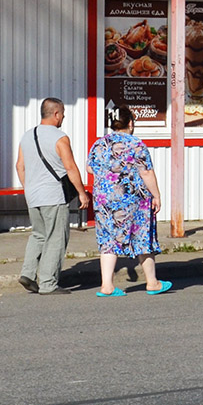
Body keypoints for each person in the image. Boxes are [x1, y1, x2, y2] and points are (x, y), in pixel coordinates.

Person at [89, 104, 170, 296]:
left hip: (104, 200)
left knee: (108, 239)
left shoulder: (99, 144)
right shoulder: (136, 144)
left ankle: (107, 285)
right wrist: (156, 195)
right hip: (133, 199)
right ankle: (152, 282)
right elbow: (146, 172)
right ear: (130, 124)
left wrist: (110, 174)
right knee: (142, 236)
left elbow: (90, 168)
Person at [16, 97, 90, 295]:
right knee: (56, 238)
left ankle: (28, 273)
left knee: (38, 235)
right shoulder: (60, 137)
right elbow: (70, 167)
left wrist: (28, 188)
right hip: (53, 195)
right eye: (63, 114)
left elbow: (20, 166)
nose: (63, 117)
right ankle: (48, 283)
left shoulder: (27, 136)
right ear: (56, 114)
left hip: (33, 196)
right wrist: (82, 194)